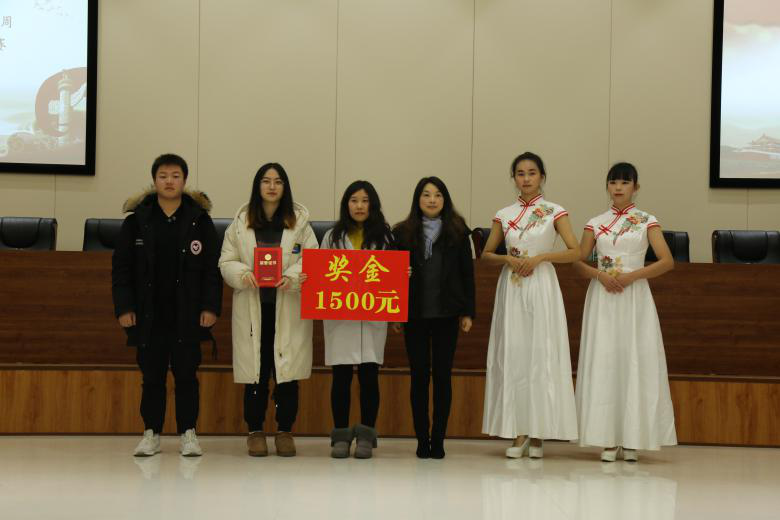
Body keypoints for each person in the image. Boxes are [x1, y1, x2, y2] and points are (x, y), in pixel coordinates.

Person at [112, 153, 222, 457]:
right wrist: (124, 307)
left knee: (187, 376)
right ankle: (151, 433)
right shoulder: (137, 221)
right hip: (149, 314)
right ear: (154, 181)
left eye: (175, 176)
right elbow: (121, 269)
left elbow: (212, 269)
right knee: (152, 377)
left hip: (188, 313)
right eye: (163, 176)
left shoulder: (200, 220)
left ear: (184, 181)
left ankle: (188, 433)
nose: (169, 181)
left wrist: (210, 307)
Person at [573, 162, 677, 462]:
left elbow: (667, 261)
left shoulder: (647, 220)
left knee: (634, 359)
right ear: (607, 186)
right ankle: (606, 437)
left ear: (636, 187)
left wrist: (632, 276)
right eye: (613, 182)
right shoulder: (595, 222)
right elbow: (577, 260)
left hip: (634, 296)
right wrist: (600, 275)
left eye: (625, 182)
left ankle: (632, 438)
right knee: (605, 360)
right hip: (603, 296)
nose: (618, 187)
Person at [481, 151, 580, 458]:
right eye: (520, 173)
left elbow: (575, 251)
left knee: (542, 352)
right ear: (514, 178)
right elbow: (486, 255)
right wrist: (507, 259)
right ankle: (519, 430)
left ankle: (539, 432)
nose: (526, 179)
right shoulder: (504, 214)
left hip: (541, 284)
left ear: (542, 177)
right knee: (515, 353)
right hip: (512, 287)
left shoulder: (555, 211)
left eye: (532, 173)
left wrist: (541, 257)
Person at [218, 163, 318, 457]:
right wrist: (242, 273)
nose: (272, 186)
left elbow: (312, 259)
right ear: (257, 186)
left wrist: (293, 277)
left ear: (285, 187)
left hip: (287, 308)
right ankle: (255, 431)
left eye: (278, 181)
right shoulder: (241, 222)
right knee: (257, 372)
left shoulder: (300, 223)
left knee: (287, 373)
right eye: (266, 181)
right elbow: (226, 261)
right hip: (254, 309)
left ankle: (285, 430)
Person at [392, 177, 475, 459]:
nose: (431, 200)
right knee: (418, 377)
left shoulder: (458, 231)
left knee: (442, 377)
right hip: (414, 314)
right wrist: (395, 312)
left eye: (438, 195)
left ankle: (438, 439)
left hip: (447, 314)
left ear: (445, 200)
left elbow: (467, 274)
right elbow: (391, 275)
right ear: (417, 200)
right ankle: (421, 439)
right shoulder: (402, 233)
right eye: (426, 195)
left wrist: (468, 311)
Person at [320, 181, 394, 459]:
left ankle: (366, 436)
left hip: (372, 319)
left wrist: (402, 275)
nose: (360, 206)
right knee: (340, 377)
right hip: (341, 319)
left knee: (369, 377)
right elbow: (322, 274)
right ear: (346, 205)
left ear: (372, 205)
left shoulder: (385, 237)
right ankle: (340, 435)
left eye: (365, 200)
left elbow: (392, 276)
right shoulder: (332, 237)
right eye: (354, 200)